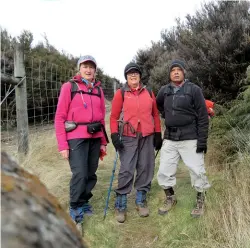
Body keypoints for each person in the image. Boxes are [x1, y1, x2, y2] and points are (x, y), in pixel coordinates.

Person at [54, 55, 108, 229]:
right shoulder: (69, 87)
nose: (88, 69)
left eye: (91, 67)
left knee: (91, 172)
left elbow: (101, 118)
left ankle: (84, 202)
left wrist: (103, 141)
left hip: (95, 136)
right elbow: (60, 117)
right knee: (80, 174)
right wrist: (63, 145)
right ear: (79, 69)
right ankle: (75, 206)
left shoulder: (98, 90)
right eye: (85, 66)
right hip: (75, 137)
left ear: (95, 70)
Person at [156, 60, 211, 217]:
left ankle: (201, 201)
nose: (176, 72)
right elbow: (159, 106)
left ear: (184, 72)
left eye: (179, 69)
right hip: (170, 138)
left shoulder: (194, 90)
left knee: (197, 170)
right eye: (173, 70)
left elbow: (202, 117)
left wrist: (202, 141)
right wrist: (169, 115)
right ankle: (170, 198)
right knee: (164, 171)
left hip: (190, 137)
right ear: (169, 74)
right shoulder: (164, 91)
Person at [110, 62, 162, 223]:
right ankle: (121, 205)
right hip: (128, 135)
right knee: (126, 169)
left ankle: (140, 200)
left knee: (146, 167)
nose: (133, 75)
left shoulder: (149, 92)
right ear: (126, 77)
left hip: (147, 135)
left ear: (140, 76)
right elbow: (113, 116)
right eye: (129, 73)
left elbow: (155, 115)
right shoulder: (121, 93)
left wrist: (158, 133)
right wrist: (113, 135)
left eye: (136, 73)